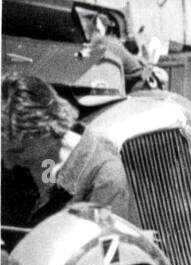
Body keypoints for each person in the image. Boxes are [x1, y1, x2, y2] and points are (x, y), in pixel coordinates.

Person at [1, 73, 136, 234]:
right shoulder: (45, 161)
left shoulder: (104, 177)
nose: (7, 163)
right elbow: (47, 175)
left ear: (47, 129)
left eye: (18, 151)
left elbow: (103, 254)